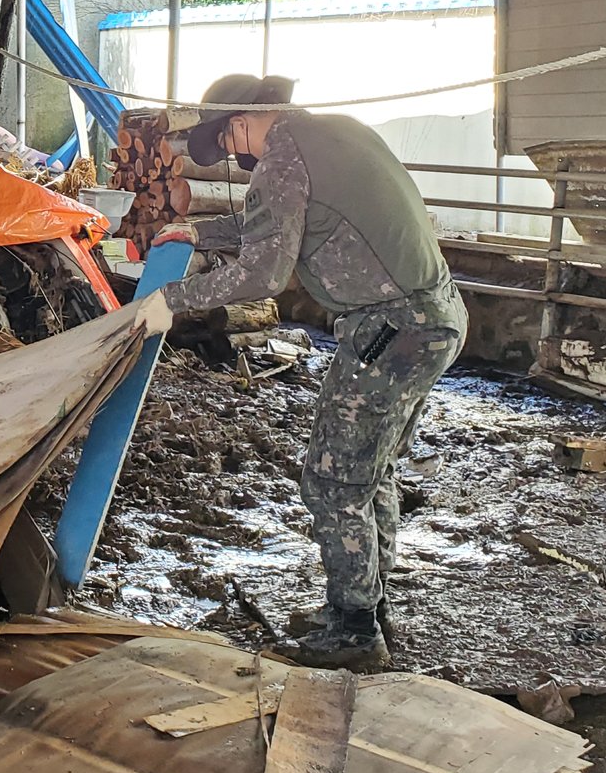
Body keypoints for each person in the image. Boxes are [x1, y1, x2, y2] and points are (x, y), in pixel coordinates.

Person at [132, 73, 467, 671]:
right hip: (434, 316)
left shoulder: (281, 158)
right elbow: (276, 226)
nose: (234, 156)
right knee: (372, 469)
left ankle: (355, 631)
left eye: (228, 142)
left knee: (332, 480)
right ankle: (368, 605)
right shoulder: (335, 133)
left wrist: (172, 301)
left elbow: (264, 273)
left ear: (238, 124)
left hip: (389, 327)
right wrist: (200, 230)